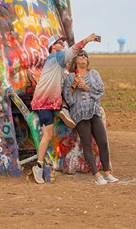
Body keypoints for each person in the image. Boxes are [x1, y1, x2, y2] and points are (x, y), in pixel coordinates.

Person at [31, 32, 100, 184]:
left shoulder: (59, 67)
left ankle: (64, 110)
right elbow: (73, 50)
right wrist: (87, 40)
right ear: (52, 47)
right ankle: (39, 167)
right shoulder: (54, 58)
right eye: (59, 42)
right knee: (47, 135)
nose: (62, 44)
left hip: (51, 103)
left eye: (63, 42)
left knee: (48, 134)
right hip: (44, 103)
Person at [63, 50, 116, 185]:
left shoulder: (94, 74)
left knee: (102, 142)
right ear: (76, 60)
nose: (83, 57)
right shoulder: (70, 77)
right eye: (81, 55)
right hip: (80, 113)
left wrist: (86, 87)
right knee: (86, 144)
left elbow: (100, 90)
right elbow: (68, 99)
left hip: (93, 111)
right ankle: (97, 176)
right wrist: (74, 85)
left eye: (85, 56)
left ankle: (107, 173)